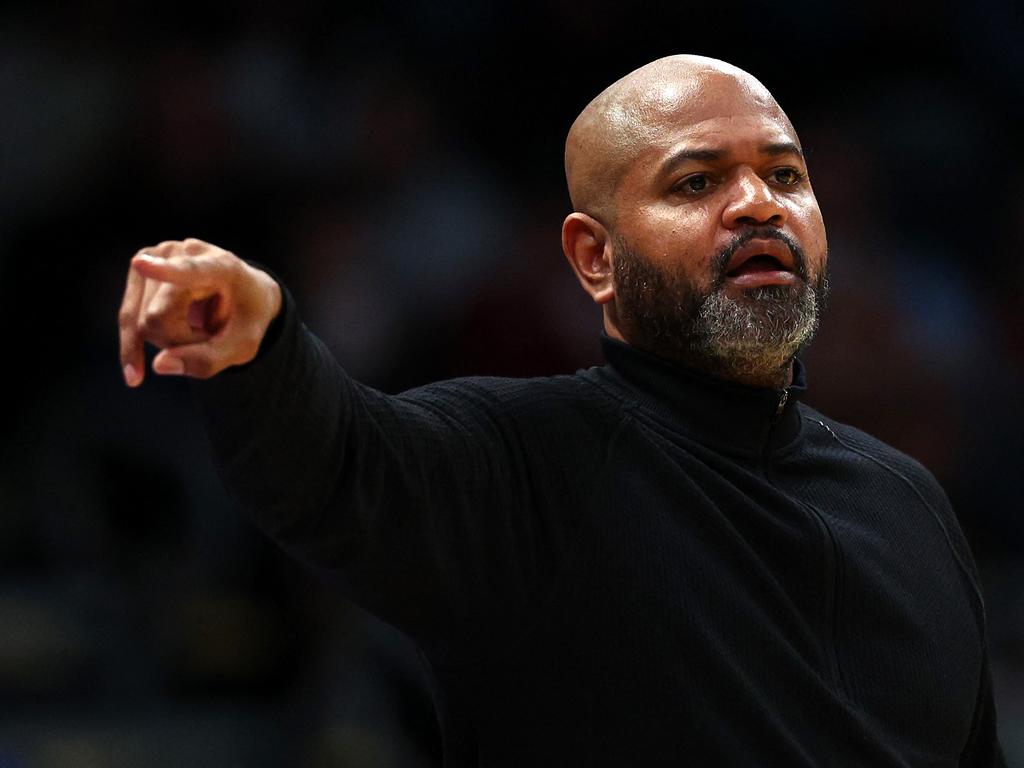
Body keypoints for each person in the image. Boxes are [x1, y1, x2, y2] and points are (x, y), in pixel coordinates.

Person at [118, 55, 1005, 766]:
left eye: (786, 174)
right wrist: (259, 338)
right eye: (695, 184)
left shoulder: (908, 501)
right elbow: (336, 460)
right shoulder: (519, 462)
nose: (757, 203)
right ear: (594, 258)